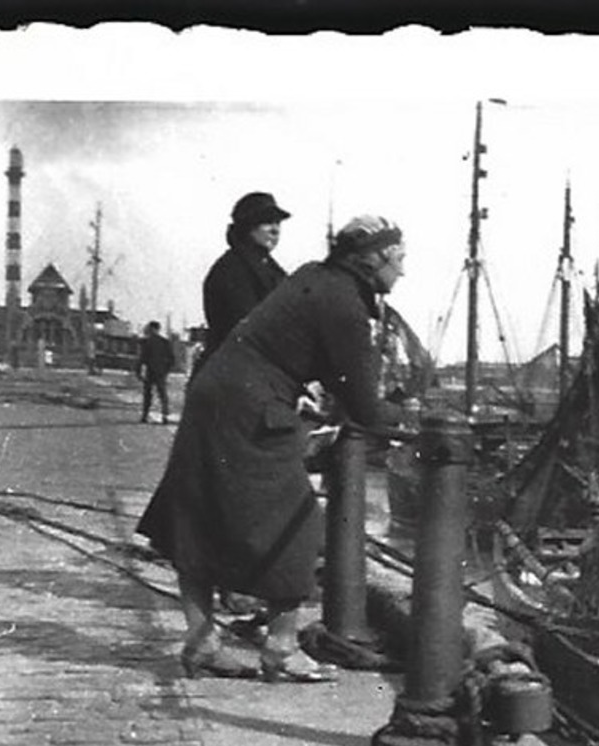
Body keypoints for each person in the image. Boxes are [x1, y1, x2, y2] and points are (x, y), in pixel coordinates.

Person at [137, 214, 407, 683]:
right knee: (298, 524)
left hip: (219, 392)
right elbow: (363, 406)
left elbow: (297, 351)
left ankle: (202, 641)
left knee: (199, 518)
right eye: (400, 259)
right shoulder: (345, 304)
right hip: (251, 407)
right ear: (376, 257)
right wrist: (402, 414)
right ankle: (281, 647)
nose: (403, 271)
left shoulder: (315, 277)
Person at [197, 191, 291, 372]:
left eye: (278, 223)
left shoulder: (270, 270)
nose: (275, 229)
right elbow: (250, 330)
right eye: (267, 222)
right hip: (231, 377)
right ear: (248, 226)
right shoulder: (231, 270)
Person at [135, 320, 175, 423]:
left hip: (150, 371)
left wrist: (138, 372)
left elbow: (142, 358)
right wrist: (166, 370)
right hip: (161, 372)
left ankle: (145, 416)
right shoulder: (165, 342)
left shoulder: (146, 342)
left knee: (148, 395)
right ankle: (165, 416)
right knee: (162, 395)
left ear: (152, 329)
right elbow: (172, 359)